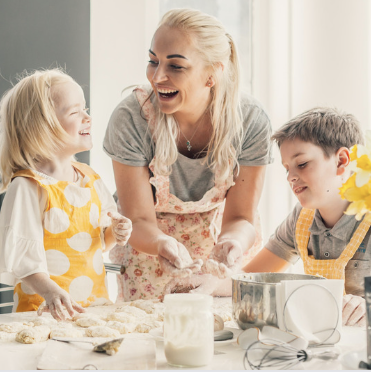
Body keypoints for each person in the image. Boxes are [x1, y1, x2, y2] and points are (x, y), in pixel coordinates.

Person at [104, 8, 273, 301]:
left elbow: (241, 217)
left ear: (212, 74)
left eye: (176, 66)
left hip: (217, 256)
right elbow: (137, 219)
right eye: (153, 61)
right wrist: (161, 244)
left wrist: (233, 242)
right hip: (149, 252)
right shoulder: (132, 118)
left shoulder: (250, 121)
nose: (157, 77)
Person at [241, 107, 371, 326]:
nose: (290, 177)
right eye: (287, 169)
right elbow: (249, 278)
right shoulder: (301, 217)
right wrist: (213, 276)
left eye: (302, 164)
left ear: (341, 161)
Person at [0, 69, 133, 321]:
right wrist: (51, 293)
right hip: (43, 313)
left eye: (85, 109)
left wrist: (116, 232)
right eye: (75, 112)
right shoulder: (28, 186)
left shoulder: (90, 178)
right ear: (42, 127)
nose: (87, 118)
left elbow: (99, 243)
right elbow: (22, 260)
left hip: (92, 310)